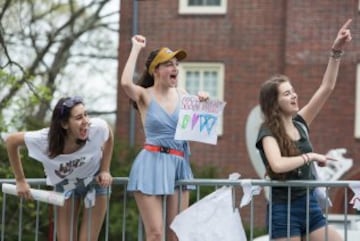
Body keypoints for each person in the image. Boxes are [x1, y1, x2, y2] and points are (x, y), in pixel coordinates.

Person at [255, 19, 352, 241]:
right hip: (284, 209)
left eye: (293, 91)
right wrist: (310, 156)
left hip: (309, 205)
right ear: (274, 103)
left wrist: (336, 51)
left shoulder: (300, 122)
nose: (294, 95)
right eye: (287, 94)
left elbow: (326, 88)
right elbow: (277, 164)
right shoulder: (267, 130)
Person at [120, 35, 208, 241]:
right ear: (156, 70)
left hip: (178, 164)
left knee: (176, 233)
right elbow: (125, 83)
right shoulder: (144, 95)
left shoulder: (184, 94)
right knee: (156, 233)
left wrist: (203, 102)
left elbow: (197, 127)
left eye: (176, 64)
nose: (175, 67)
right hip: (151, 162)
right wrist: (135, 48)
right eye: (168, 64)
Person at [5, 96, 114, 241]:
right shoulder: (44, 139)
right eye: (79, 117)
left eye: (86, 114)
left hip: (94, 183)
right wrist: (20, 180)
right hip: (66, 185)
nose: (86, 121)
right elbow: (11, 141)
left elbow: (109, 136)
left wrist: (105, 169)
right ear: (64, 124)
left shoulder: (97, 127)